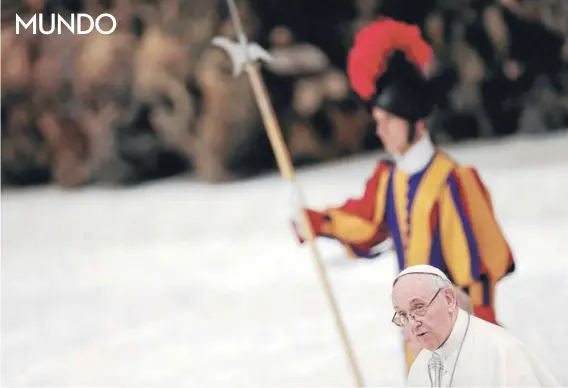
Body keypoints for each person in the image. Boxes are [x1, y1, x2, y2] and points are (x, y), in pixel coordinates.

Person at [291, 17, 516, 368]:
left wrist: (475, 323)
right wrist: (319, 222)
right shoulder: (390, 180)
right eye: (377, 121)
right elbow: (365, 223)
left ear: (416, 122)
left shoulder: (452, 181)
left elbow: (476, 266)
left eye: (388, 121)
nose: (380, 131)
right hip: (417, 332)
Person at [391, 264, 560, 387]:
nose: (413, 323)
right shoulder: (421, 366)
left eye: (419, 308)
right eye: (404, 315)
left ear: (449, 299)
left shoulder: (503, 352)